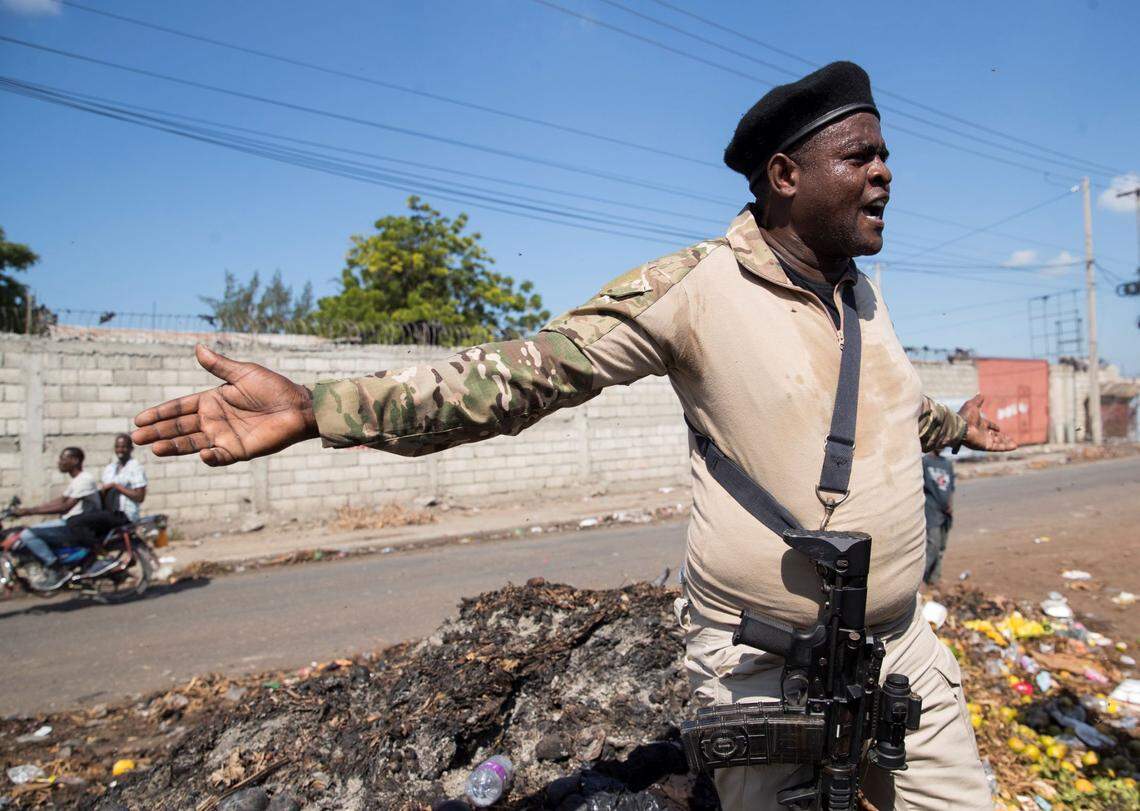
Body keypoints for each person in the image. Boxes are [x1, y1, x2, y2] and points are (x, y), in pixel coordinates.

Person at [132, 62, 1017, 809]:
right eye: (860, 155)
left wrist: (963, 430)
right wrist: (320, 408)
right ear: (785, 175)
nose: (885, 173)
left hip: (899, 656)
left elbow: (900, 413)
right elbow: (515, 376)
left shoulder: (862, 294)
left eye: (885, 155)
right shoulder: (691, 289)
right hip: (764, 669)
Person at [11, 446, 100, 590]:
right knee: (27, 531)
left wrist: (30, 511)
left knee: (27, 535)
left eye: (63, 459)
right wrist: (31, 509)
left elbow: (65, 507)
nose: (59, 462)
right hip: (69, 522)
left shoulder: (85, 480)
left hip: (76, 526)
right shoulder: (76, 480)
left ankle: (56, 568)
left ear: (75, 460)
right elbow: (60, 500)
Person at [922, 449, 956, 585]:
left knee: (941, 547)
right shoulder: (925, 462)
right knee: (933, 545)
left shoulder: (947, 463)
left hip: (945, 513)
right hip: (931, 510)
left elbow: (951, 488)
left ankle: (934, 579)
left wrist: (950, 505)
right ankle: (919, 580)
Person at [100, 433, 148, 522]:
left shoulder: (135, 467)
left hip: (127, 514)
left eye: (124, 447)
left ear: (131, 449)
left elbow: (140, 497)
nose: (120, 450)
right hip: (109, 512)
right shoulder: (110, 468)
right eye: (117, 447)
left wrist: (116, 486)